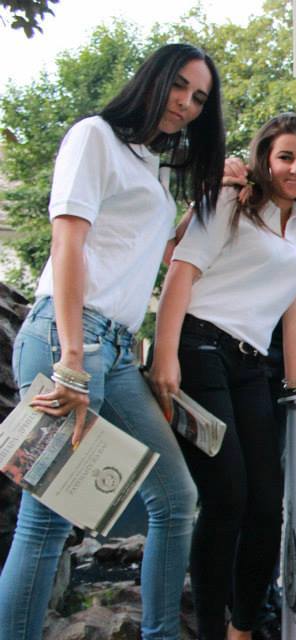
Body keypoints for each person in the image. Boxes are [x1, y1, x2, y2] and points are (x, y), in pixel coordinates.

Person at [0, 43, 224, 640]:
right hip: (68, 339)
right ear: (152, 79)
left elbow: (141, 249)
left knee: (175, 498)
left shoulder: (149, 165)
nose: (186, 103)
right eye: (179, 86)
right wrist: (72, 360)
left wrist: (201, 204)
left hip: (120, 352)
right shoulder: (93, 136)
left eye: (199, 98)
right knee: (47, 521)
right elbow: (68, 242)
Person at [149, 113, 296, 640]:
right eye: (285, 156)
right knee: (227, 497)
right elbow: (181, 272)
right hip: (199, 346)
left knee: (268, 504)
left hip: (253, 364)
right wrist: (165, 355)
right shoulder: (231, 200)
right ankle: (210, 629)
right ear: (265, 158)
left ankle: (242, 626)